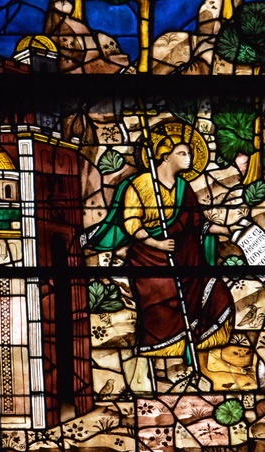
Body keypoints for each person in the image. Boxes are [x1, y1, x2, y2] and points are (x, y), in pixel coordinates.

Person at [86, 120, 236, 393]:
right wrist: (156, 242)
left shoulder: (183, 188)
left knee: (214, 294)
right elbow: (131, 223)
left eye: (190, 153)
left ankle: (186, 367)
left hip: (184, 259)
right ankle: (163, 371)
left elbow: (195, 223)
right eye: (182, 153)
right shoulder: (141, 185)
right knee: (163, 307)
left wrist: (226, 230)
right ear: (165, 156)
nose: (189, 158)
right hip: (149, 259)